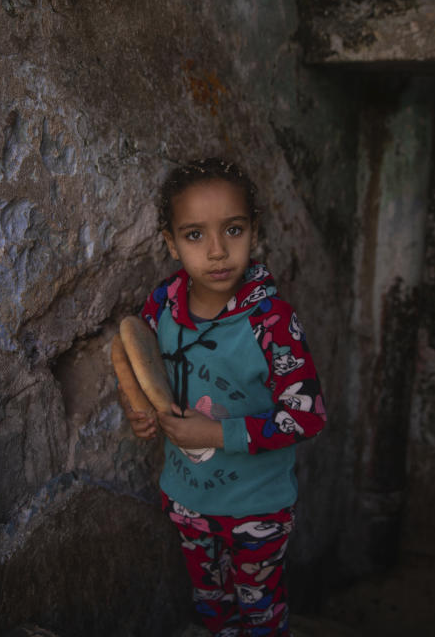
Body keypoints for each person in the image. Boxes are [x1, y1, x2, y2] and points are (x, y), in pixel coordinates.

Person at [121, 157, 326, 636]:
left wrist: (215, 433)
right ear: (171, 242)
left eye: (232, 230)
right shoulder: (161, 307)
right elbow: (136, 361)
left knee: (260, 611)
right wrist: (140, 411)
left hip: (258, 508)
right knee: (211, 604)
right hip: (187, 499)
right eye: (194, 235)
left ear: (254, 230)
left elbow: (307, 416)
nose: (216, 251)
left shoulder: (272, 323)